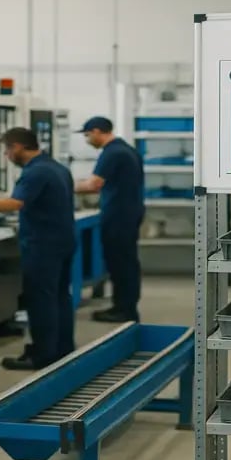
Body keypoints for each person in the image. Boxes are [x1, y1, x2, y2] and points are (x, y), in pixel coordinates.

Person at [0, 128, 77, 371]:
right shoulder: (57, 168)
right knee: (59, 297)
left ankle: (43, 355)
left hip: (42, 245)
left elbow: (14, 204)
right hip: (63, 241)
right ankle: (62, 350)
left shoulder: (35, 172)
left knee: (40, 300)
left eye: (7, 150)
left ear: (17, 147)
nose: (6, 156)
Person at [76, 116, 145, 323]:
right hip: (129, 212)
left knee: (119, 263)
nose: (87, 140)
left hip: (119, 215)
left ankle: (123, 309)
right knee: (126, 262)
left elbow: (93, 185)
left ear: (97, 131)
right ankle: (125, 306)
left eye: (88, 135)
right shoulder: (126, 149)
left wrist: (62, 185)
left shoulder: (112, 153)